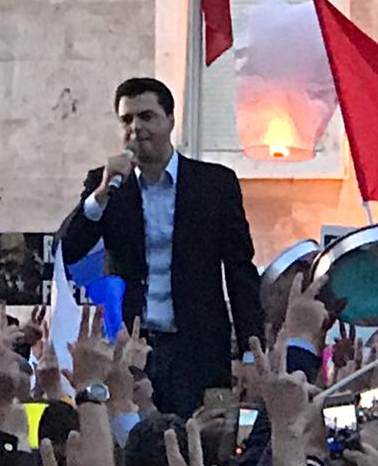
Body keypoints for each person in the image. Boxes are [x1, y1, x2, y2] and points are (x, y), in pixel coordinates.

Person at [57, 76, 264, 416]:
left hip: (197, 346)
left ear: (170, 120)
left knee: (200, 440)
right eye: (127, 120)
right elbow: (68, 250)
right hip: (132, 345)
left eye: (147, 116)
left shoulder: (214, 184)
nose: (136, 128)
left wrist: (250, 351)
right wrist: (100, 195)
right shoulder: (106, 183)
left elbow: (240, 270)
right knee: (135, 445)